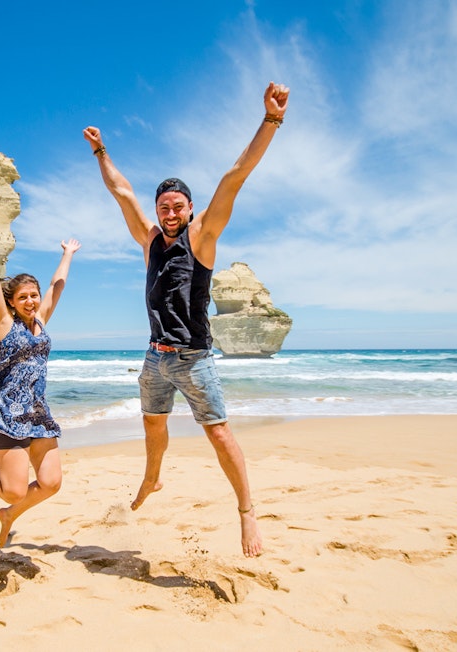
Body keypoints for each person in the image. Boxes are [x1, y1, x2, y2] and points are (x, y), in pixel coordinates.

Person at [83, 81, 289, 557]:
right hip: (155, 358)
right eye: (163, 206)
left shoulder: (203, 239)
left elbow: (236, 175)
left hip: (195, 359)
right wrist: (101, 151)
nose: (170, 211)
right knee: (153, 425)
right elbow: (121, 191)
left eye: (178, 205)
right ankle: (152, 479)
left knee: (217, 432)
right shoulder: (150, 241)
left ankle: (246, 511)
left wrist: (271, 120)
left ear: (190, 209)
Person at [0, 195, 81, 547]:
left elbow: (57, 286)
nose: (30, 301)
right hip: (7, 415)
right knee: (13, 490)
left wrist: (67, 254)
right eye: (23, 296)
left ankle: (10, 517)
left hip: (37, 415)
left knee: (52, 483)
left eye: (33, 295)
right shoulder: (5, 323)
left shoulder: (41, 318)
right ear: (11, 301)